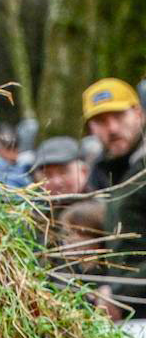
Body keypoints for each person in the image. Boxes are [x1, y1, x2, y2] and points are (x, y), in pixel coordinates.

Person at [84, 78, 146, 319]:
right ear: (91, 128)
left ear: (138, 114)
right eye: (100, 121)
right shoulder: (101, 176)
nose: (111, 128)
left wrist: (118, 292)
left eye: (119, 117)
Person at [32, 136, 89, 200]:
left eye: (63, 172)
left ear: (84, 171)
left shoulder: (100, 205)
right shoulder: (33, 206)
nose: (56, 182)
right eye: (47, 174)